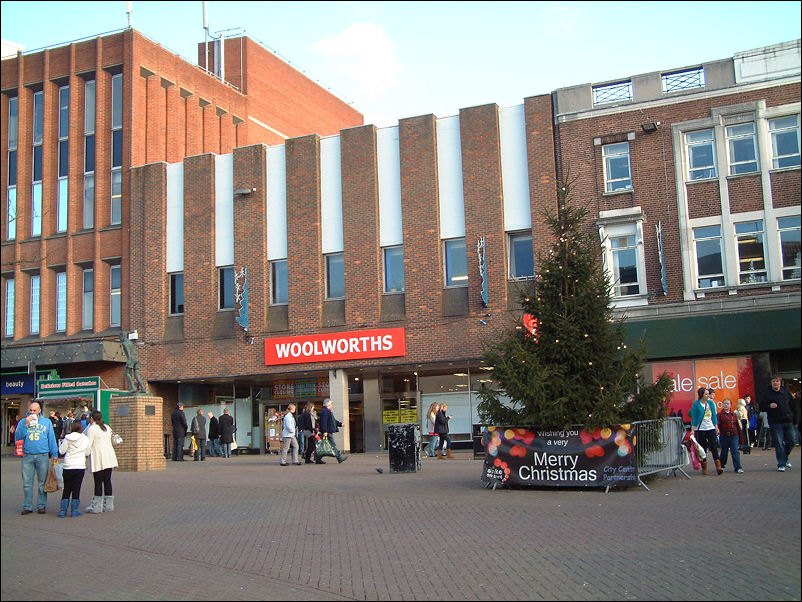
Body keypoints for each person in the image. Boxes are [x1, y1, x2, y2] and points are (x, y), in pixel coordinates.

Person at [14, 402, 59, 514]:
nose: (32, 413)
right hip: (27, 455)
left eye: (34, 410)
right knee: (27, 483)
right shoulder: (23, 422)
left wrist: (54, 454)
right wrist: (26, 425)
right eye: (31, 410)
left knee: (42, 483)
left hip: (42, 455)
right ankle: (27, 506)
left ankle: (41, 505)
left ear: (39, 411)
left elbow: (51, 438)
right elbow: (17, 437)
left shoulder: (46, 422)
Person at [84, 411, 119, 513]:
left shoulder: (91, 429)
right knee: (107, 480)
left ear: (92, 418)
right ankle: (109, 505)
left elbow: (88, 444)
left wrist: (84, 454)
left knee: (98, 481)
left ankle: (97, 506)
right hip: (109, 456)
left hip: (98, 457)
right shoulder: (107, 427)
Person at [759, 375, 795, 472]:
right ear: (771, 383)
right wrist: (769, 406)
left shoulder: (786, 393)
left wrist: (794, 419)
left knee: (792, 441)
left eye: (777, 381)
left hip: (788, 421)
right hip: (775, 422)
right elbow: (761, 406)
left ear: (780, 383)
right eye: (774, 381)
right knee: (779, 443)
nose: (775, 383)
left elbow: (793, 406)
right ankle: (781, 464)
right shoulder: (767, 394)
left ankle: (785, 457)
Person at [57, 420, 90, 517]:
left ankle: (63, 511)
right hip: (79, 466)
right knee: (77, 488)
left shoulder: (67, 438)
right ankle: (74, 510)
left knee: (66, 488)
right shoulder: (85, 439)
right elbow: (87, 452)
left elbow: (62, 451)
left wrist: (60, 444)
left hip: (68, 466)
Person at [690, 387, 723, 475]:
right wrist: (693, 429)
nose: (708, 395)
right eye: (706, 394)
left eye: (708, 394)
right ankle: (704, 468)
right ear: (701, 395)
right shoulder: (696, 404)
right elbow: (694, 417)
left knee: (714, 447)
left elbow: (714, 416)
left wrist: (716, 427)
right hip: (700, 429)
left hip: (710, 428)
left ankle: (718, 467)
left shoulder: (711, 403)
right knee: (702, 449)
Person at [316, 398, 347, 464]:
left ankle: (318, 459)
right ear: (329, 404)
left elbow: (333, 421)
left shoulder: (326, 411)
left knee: (322, 445)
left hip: (327, 431)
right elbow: (324, 422)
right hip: (327, 431)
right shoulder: (325, 411)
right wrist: (325, 431)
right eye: (331, 404)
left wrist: (340, 424)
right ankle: (339, 458)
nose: (332, 405)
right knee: (333, 445)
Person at [717, 398, 744, 474]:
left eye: (727, 403)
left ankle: (738, 467)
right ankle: (721, 466)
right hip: (724, 435)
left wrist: (741, 437)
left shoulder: (734, 415)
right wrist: (717, 430)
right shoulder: (719, 415)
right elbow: (718, 425)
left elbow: (737, 426)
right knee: (724, 452)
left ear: (730, 405)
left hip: (734, 435)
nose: (726, 405)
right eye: (724, 403)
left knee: (735, 451)